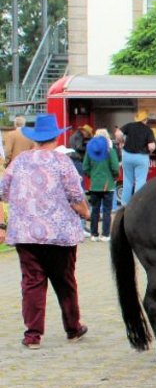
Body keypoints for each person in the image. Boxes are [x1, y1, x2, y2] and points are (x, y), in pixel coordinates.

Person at [0, 114, 91, 349]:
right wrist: (85, 212)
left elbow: (3, 190)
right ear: (55, 136)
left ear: (35, 138)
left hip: (26, 233)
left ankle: (32, 335)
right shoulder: (62, 162)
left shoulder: (19, 161)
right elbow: (75, 195)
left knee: (32, 283)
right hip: (60, 234)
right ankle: (73, 328)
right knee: (65, 281)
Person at [82, 129, 119, 242]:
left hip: (94, 185)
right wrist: (113, 177)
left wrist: (92, 176)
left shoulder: (90, 152)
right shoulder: (110, 151)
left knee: (95, 210)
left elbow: (85, 167)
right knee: (107, 211)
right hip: (108, 185)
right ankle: (105, 235)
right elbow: (115, 168)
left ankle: (94, 234)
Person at [119, 111, 156, 206]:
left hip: (127, 155)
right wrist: (150, 152)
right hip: (141, 156)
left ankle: (124, 204)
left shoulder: (129, 126)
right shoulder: (148, 130)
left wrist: (121, 142)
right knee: (140, 180)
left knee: (127, 180)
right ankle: (137, 204)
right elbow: (151, 146)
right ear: (145, 120)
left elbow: (118, 133)